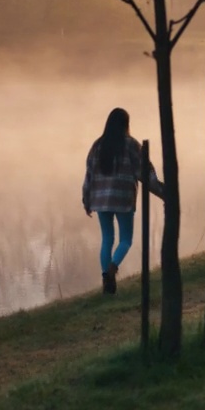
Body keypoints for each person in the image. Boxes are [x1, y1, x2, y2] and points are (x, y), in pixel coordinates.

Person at [82, 107, 164, 295]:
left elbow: (89, 174)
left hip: (101, 200)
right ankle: (113, 267)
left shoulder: (97, 145)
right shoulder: (131, 145)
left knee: (107, 239)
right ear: (126, 125)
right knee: (126, 239)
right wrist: (162, 191)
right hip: (123, 198)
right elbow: (145, 172)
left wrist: (86, 199)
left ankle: (106, 278)